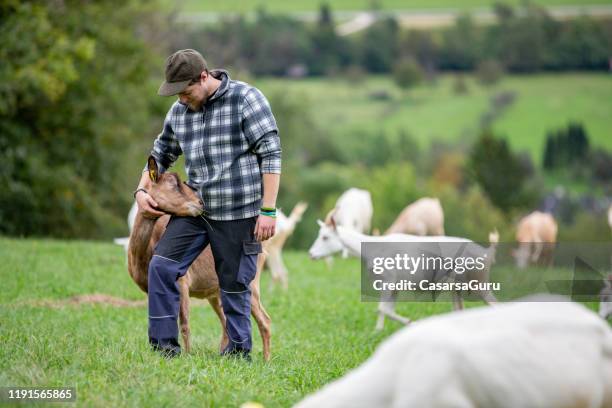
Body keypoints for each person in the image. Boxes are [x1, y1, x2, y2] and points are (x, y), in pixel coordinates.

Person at [133, 49, 281, 359]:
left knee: (234, 282)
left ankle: (238, 354)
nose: (182, 99)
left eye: (186, 92)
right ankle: (165, 349)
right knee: (162, 266)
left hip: (239, 210)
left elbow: (271, 155)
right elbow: (159, 156)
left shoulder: (246, 100)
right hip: (195, 208)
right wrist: (142, 190)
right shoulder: (178, 112)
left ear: (204, 77)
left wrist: (268, 210)